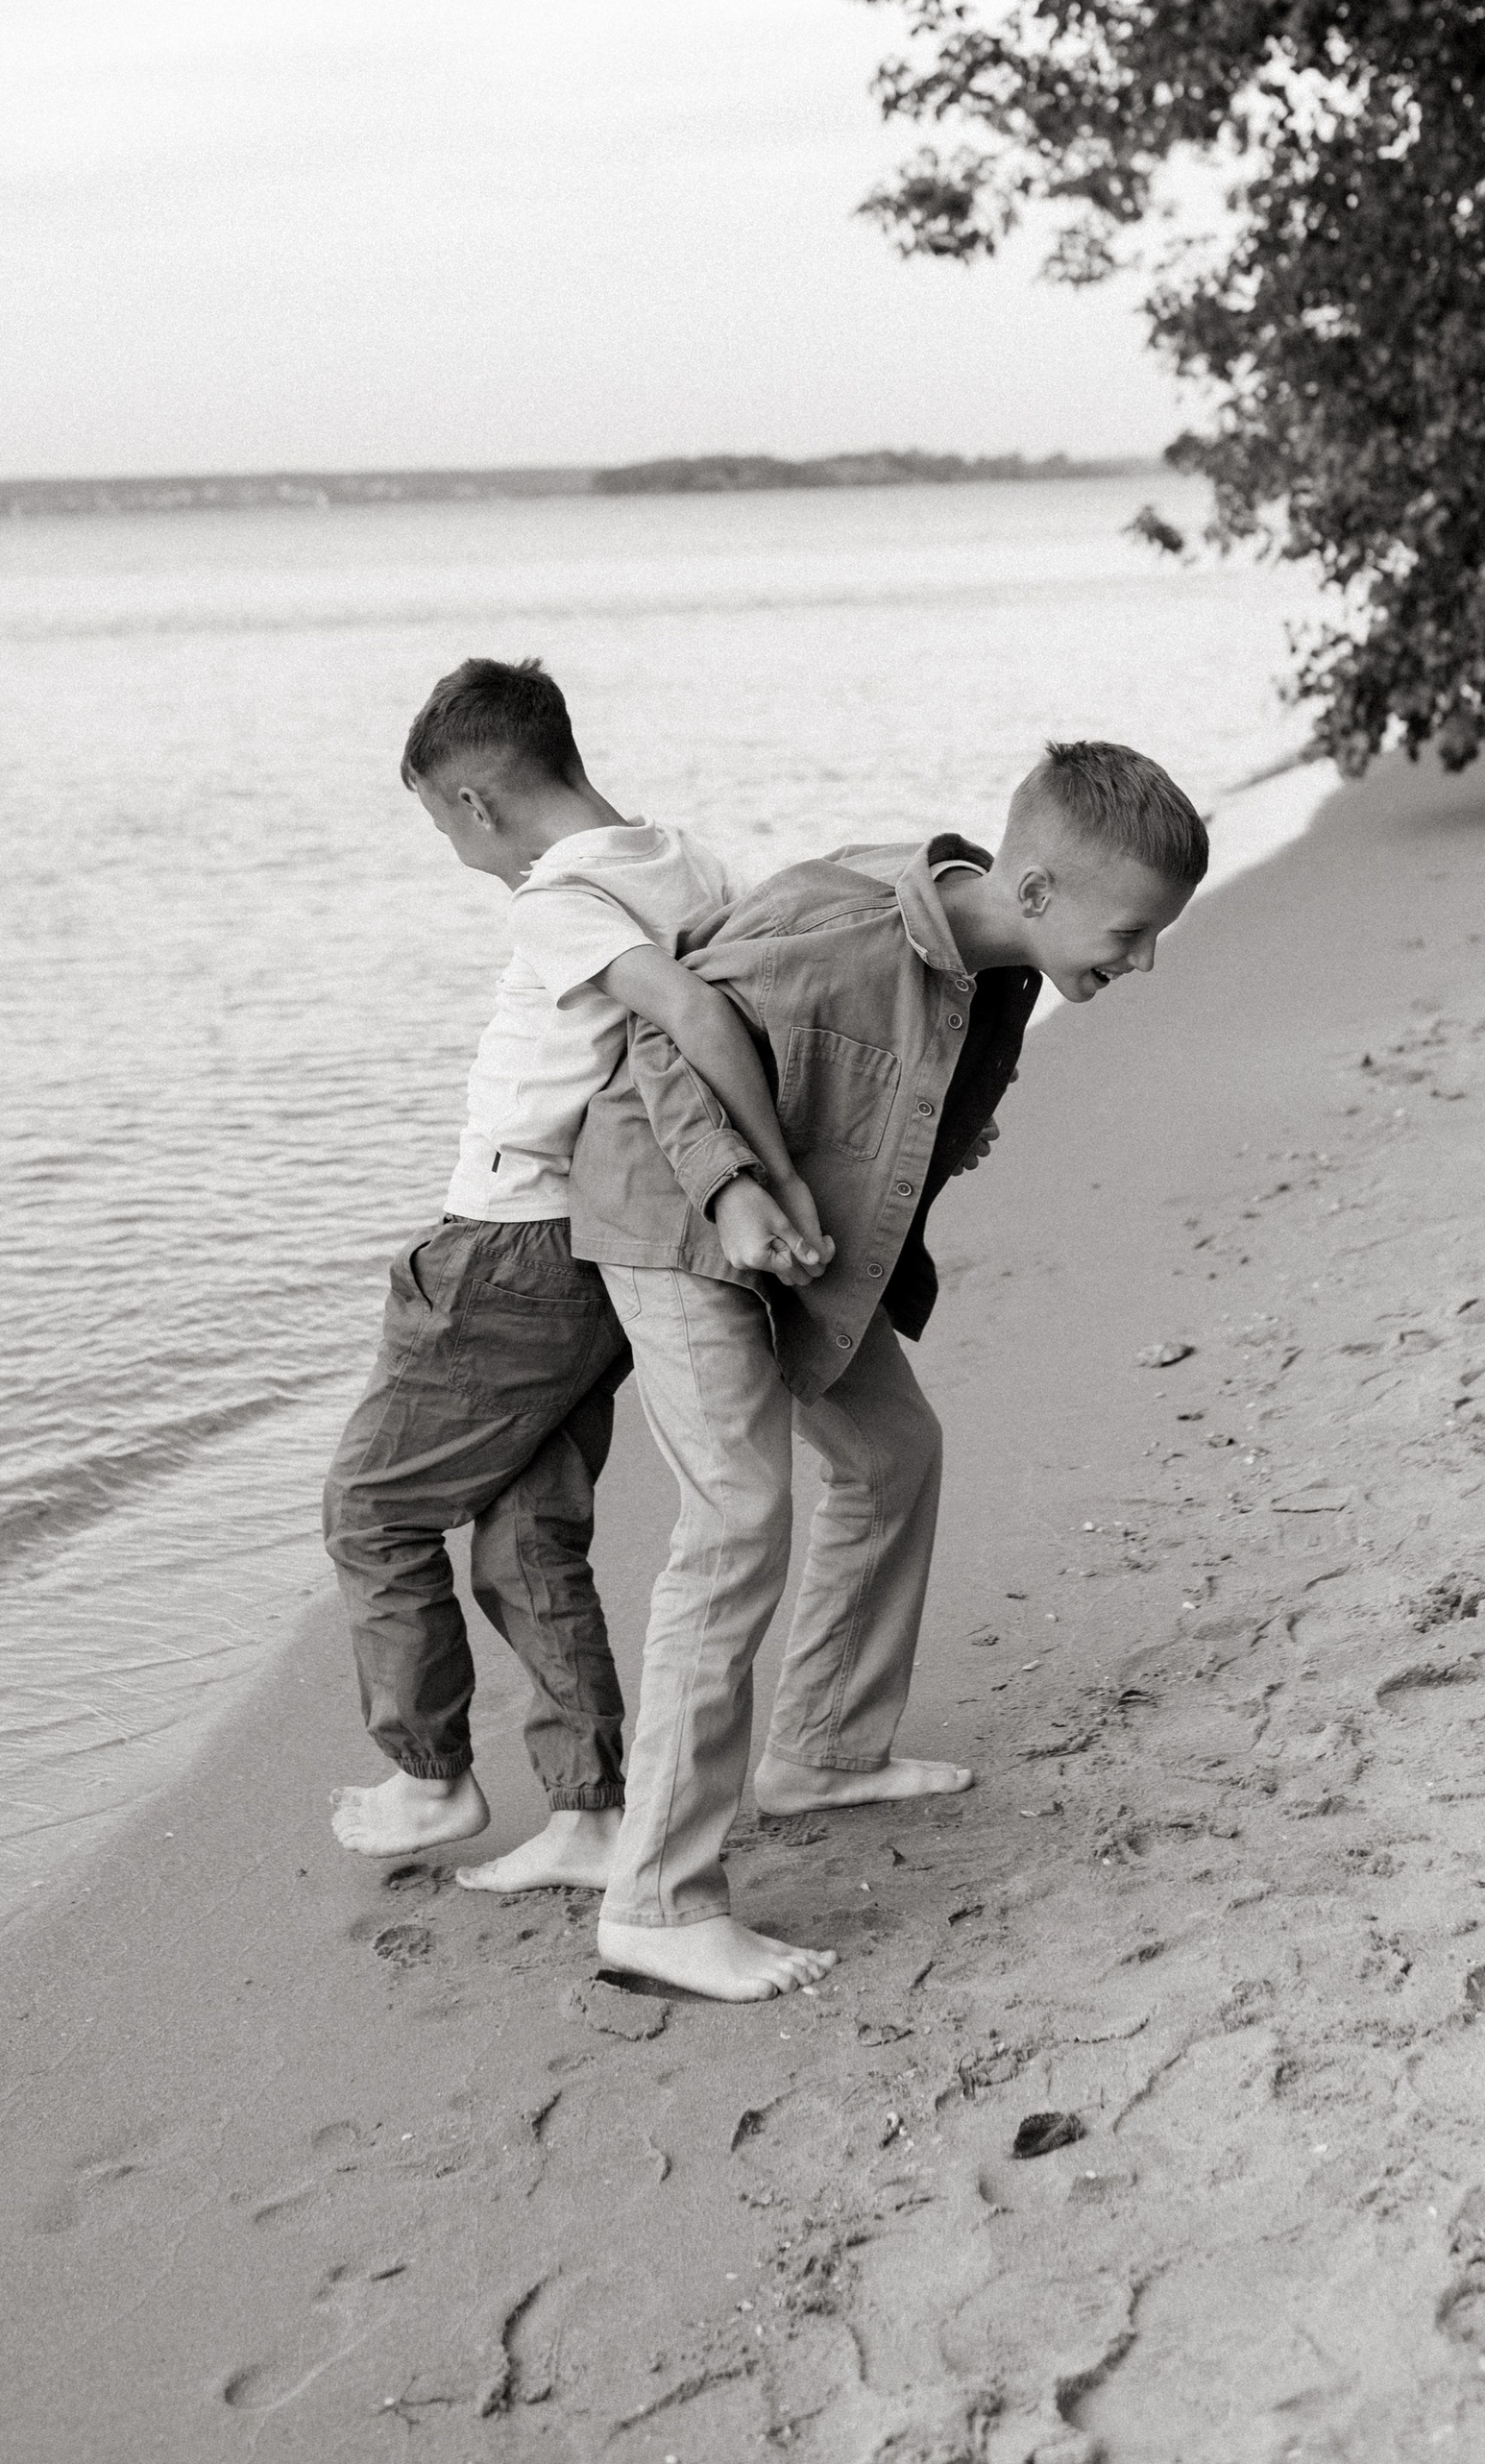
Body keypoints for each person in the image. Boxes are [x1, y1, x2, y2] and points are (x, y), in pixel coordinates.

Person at [564, 738, 1208, 2003]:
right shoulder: (846, 923)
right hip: (674, 1213)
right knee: (739, 1515)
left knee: (892, 1450)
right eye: (1131, 931)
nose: (1143, 959)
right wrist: (737, 1186)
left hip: (798, 1235)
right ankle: (654, 1899)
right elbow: (668, 1032)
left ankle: (819, 1748)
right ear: (1035, 887)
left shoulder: (1002, 958)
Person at [323, 655, 824, 1891]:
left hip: (506, 1245)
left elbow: (697, 1019)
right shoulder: (690, 861)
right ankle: (590, 1810)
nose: (453, 846)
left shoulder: (557, 894)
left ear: (474, 803)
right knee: (522, 1528)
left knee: (372, 1509)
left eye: (439, 820)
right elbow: (750, 988)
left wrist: (774, 1170)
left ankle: (429, 1776)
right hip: (605, 1238)